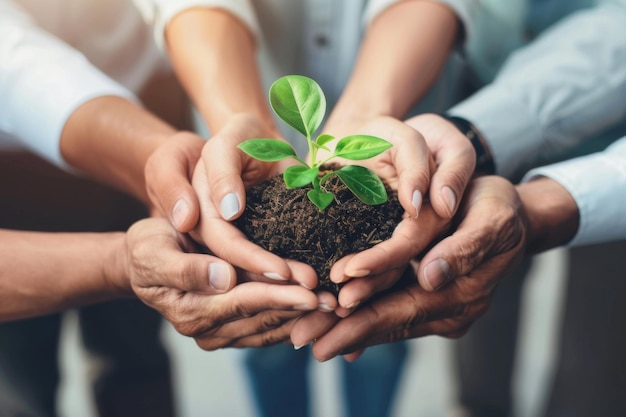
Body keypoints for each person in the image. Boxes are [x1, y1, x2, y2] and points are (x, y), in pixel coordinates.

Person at [134, 1, 480, 416]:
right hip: (245, 113)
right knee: (266, 336)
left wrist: (370, 111)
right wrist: (240, 117)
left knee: (380, 338)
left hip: (400, 119)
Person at [289, 1, 626, 416]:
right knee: (477, 295)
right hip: (482, 85)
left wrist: (544, 205)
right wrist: (466, 134)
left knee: (596, 342)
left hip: (612, 142)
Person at [0, 1, 321, 415]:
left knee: (135, 354)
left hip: (148, 99)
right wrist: (121, 261)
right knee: (19, 380)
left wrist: (171, 156)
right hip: (12, 171)